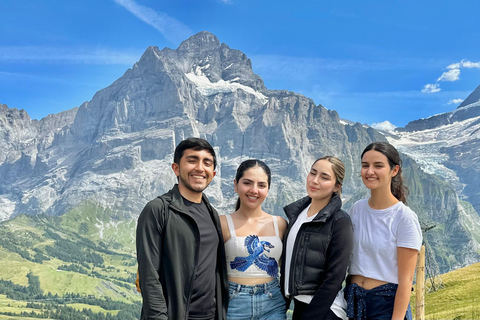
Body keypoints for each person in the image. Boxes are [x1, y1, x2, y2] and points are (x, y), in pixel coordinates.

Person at [136, 137, 228, 320]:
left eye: (207, 163)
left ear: (213, 173)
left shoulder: (212, 214)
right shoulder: (158, 209)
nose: (200, 168)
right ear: (176, 168)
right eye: (192, 160)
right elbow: (149, 276)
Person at [346, 142, 422, 320]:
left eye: (378, 166)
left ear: (394, 170)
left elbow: (405, 282)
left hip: (386, 305)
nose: (369, 171)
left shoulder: (404, 217)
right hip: (354, 301)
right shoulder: (357, 209)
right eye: (365, 165)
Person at [282, 156, 353, 320]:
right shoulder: (297, 215)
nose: (315, 180)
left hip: (325, 312)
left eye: (324, 177)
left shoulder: (340, 221)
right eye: (312, 173)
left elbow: (335, 278)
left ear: (337, 186)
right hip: (299, 309)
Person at [219, 159, 288, 320]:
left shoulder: (280, 224)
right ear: (236, 185)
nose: (254, 190)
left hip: (272, 302)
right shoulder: (222, 223)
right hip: (234, 303)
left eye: (261, 185)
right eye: (247, 183)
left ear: (268, 189)